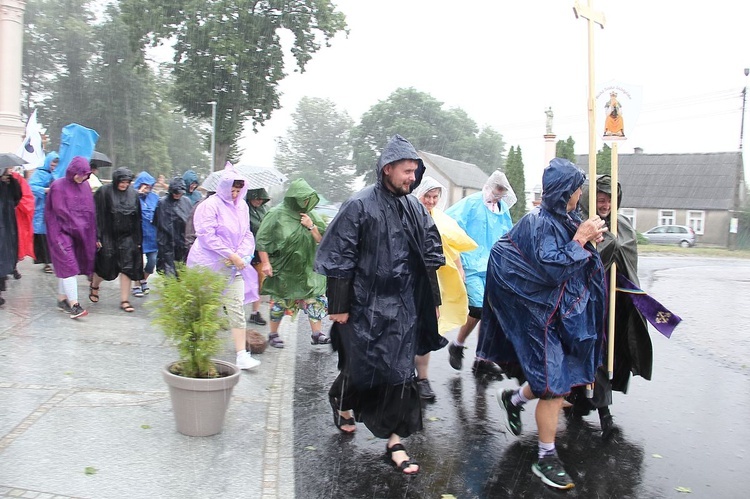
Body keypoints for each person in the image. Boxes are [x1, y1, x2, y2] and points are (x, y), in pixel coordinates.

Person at [314, 134, 446, 475]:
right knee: (364, 368)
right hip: (364, 306)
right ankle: (341, 403)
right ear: (387, 169)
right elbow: (339, 257)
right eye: (406, 171)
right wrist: (339, 306)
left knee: (401, 372)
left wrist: (432, 300)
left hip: (403, 306)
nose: (412, 179)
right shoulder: (359, 205)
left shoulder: (415, 207)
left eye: (415, 172)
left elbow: (429, 256)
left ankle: (395, 441)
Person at [477, 158, 608, 490]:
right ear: (568, 192)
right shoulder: (539, 223)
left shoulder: (563, 218)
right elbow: (553, 268)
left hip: (558, 312)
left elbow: (574, 260)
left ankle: (515, 399)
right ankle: (545, 456)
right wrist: (580, 240)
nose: (581, 195)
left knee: (555, 373)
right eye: (579, 189)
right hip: (535, 315)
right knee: (553, 384)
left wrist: (590, 240)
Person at [565, 175, 653, 440]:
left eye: (609, 200)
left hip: (615, 301)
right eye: (600, 199)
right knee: (590, 349)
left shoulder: (623, 225)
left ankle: (592, 405)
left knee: (609, 352)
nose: (605, 204)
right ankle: (598, 411)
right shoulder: (583, 224)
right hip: (587, 300)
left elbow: (628, 263)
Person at [187, 164, 261, 370]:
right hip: (208, 265)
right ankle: (200, 349)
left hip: (234, 266)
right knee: (207, 308)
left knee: (236, 307)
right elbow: (206, 235)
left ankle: (241, 354)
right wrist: (230, 254)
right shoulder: (209, 206)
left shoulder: (243, 207)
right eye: (232, 190)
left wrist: (244, 255)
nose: (235, 194)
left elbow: (247, 233)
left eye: (239, 190)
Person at [444, 171, 516, 377]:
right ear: (490, 186)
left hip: (494, 266)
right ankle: (457, 344)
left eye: (503, 190)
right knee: (478, 309)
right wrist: (459, 256)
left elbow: (508, 236)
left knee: (491, 314)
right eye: (498, 189)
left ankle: (482, 359)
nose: (500, 193)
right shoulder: (473, 203)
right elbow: (449, 221)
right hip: (473, 265)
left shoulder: (502, 209)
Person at [411, 176, 477, 400]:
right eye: (427, 196)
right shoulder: (407, 217)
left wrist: (459, 270)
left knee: (427, 329)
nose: (430, 201)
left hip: (434, 280)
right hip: (408, 280)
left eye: (434, 197)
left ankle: (422, 379)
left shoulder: (442, 220)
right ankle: (400, 378)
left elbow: (452, 245)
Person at [255, 179, 328, 347]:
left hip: (307, 267)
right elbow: (262, 240)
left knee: (315, 298)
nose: (306, 203)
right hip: (284, 268)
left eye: (309, 199)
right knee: (280, 301)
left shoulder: (311, 214)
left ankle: (317, 333)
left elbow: (323, 240)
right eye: (304, 199)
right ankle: (273, 334)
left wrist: (311, 227)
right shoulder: (276, 214)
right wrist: (266, 263)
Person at [44, 156, 96, 318]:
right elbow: (59, 212)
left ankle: (62, 299)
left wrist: (90, 233)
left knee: (66, 266)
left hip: (78, 233)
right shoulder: (58, 186)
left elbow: (89, 210)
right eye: (79, 174)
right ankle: (74, 304)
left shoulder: (85, 186)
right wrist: (78, 226)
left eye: (85, 175)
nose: (81, 178)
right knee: (69, 265)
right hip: (59, 232)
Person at [90, 167, 145, 313]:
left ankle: (124, 300)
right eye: (122, 181)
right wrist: (97, 236)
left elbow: (137, 218)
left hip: (127, 236)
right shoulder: (104, 192)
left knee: (127, 267)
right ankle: (95, 285)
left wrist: (138, 240)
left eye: (127, 181)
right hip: (108, 234)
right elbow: (96, 215)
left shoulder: (133, 194)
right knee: (105, 266)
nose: (124, 184)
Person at [153, 177, 192, 276]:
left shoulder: (186, 201)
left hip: (182, 244)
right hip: (166, 244)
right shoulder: (162, 203)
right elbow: (157, 222)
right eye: (175, 192)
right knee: (168, 274)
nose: (177, 195)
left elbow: (190, 221)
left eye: (180, 193)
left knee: (182, 273)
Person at [29, 152, 59, 273]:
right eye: (52, 165)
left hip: (53, 210)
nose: (53, 167)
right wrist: (45, 190)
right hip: (42, 209)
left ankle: (51, 261)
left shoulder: (56, 174)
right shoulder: (39, 173)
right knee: (43, 237)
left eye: (55, 165)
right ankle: (46, 262)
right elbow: (31, 186)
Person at [246, 187, 271, 326]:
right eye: (256, 198)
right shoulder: (243, 209)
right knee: (238, 279)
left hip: (260, 250)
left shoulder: (264, 210)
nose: (259, 201)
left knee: (259, 280)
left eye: (261, 198)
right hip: (245, 250)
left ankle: (255, 313)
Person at [133, 171, 159, 296]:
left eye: (149, 186)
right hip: (137, 235)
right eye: (145, 185)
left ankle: (143, 279)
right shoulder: (132, 196)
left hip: (152, 235)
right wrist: (137, 194)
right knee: (137, 261)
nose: (147, 188)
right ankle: (136, 285)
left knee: (152, 261)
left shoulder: (155, 197)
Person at [0, 167, 22, 306]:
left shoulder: (10, 182)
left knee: (3, 257)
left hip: (7, 224)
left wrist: (11, 181)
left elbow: (17, 197)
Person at [11, 168, 35, 278]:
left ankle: (13, 266)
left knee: (15, 242)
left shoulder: (17, 179)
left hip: (16, 217)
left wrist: (16, 204)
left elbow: (26, 197)